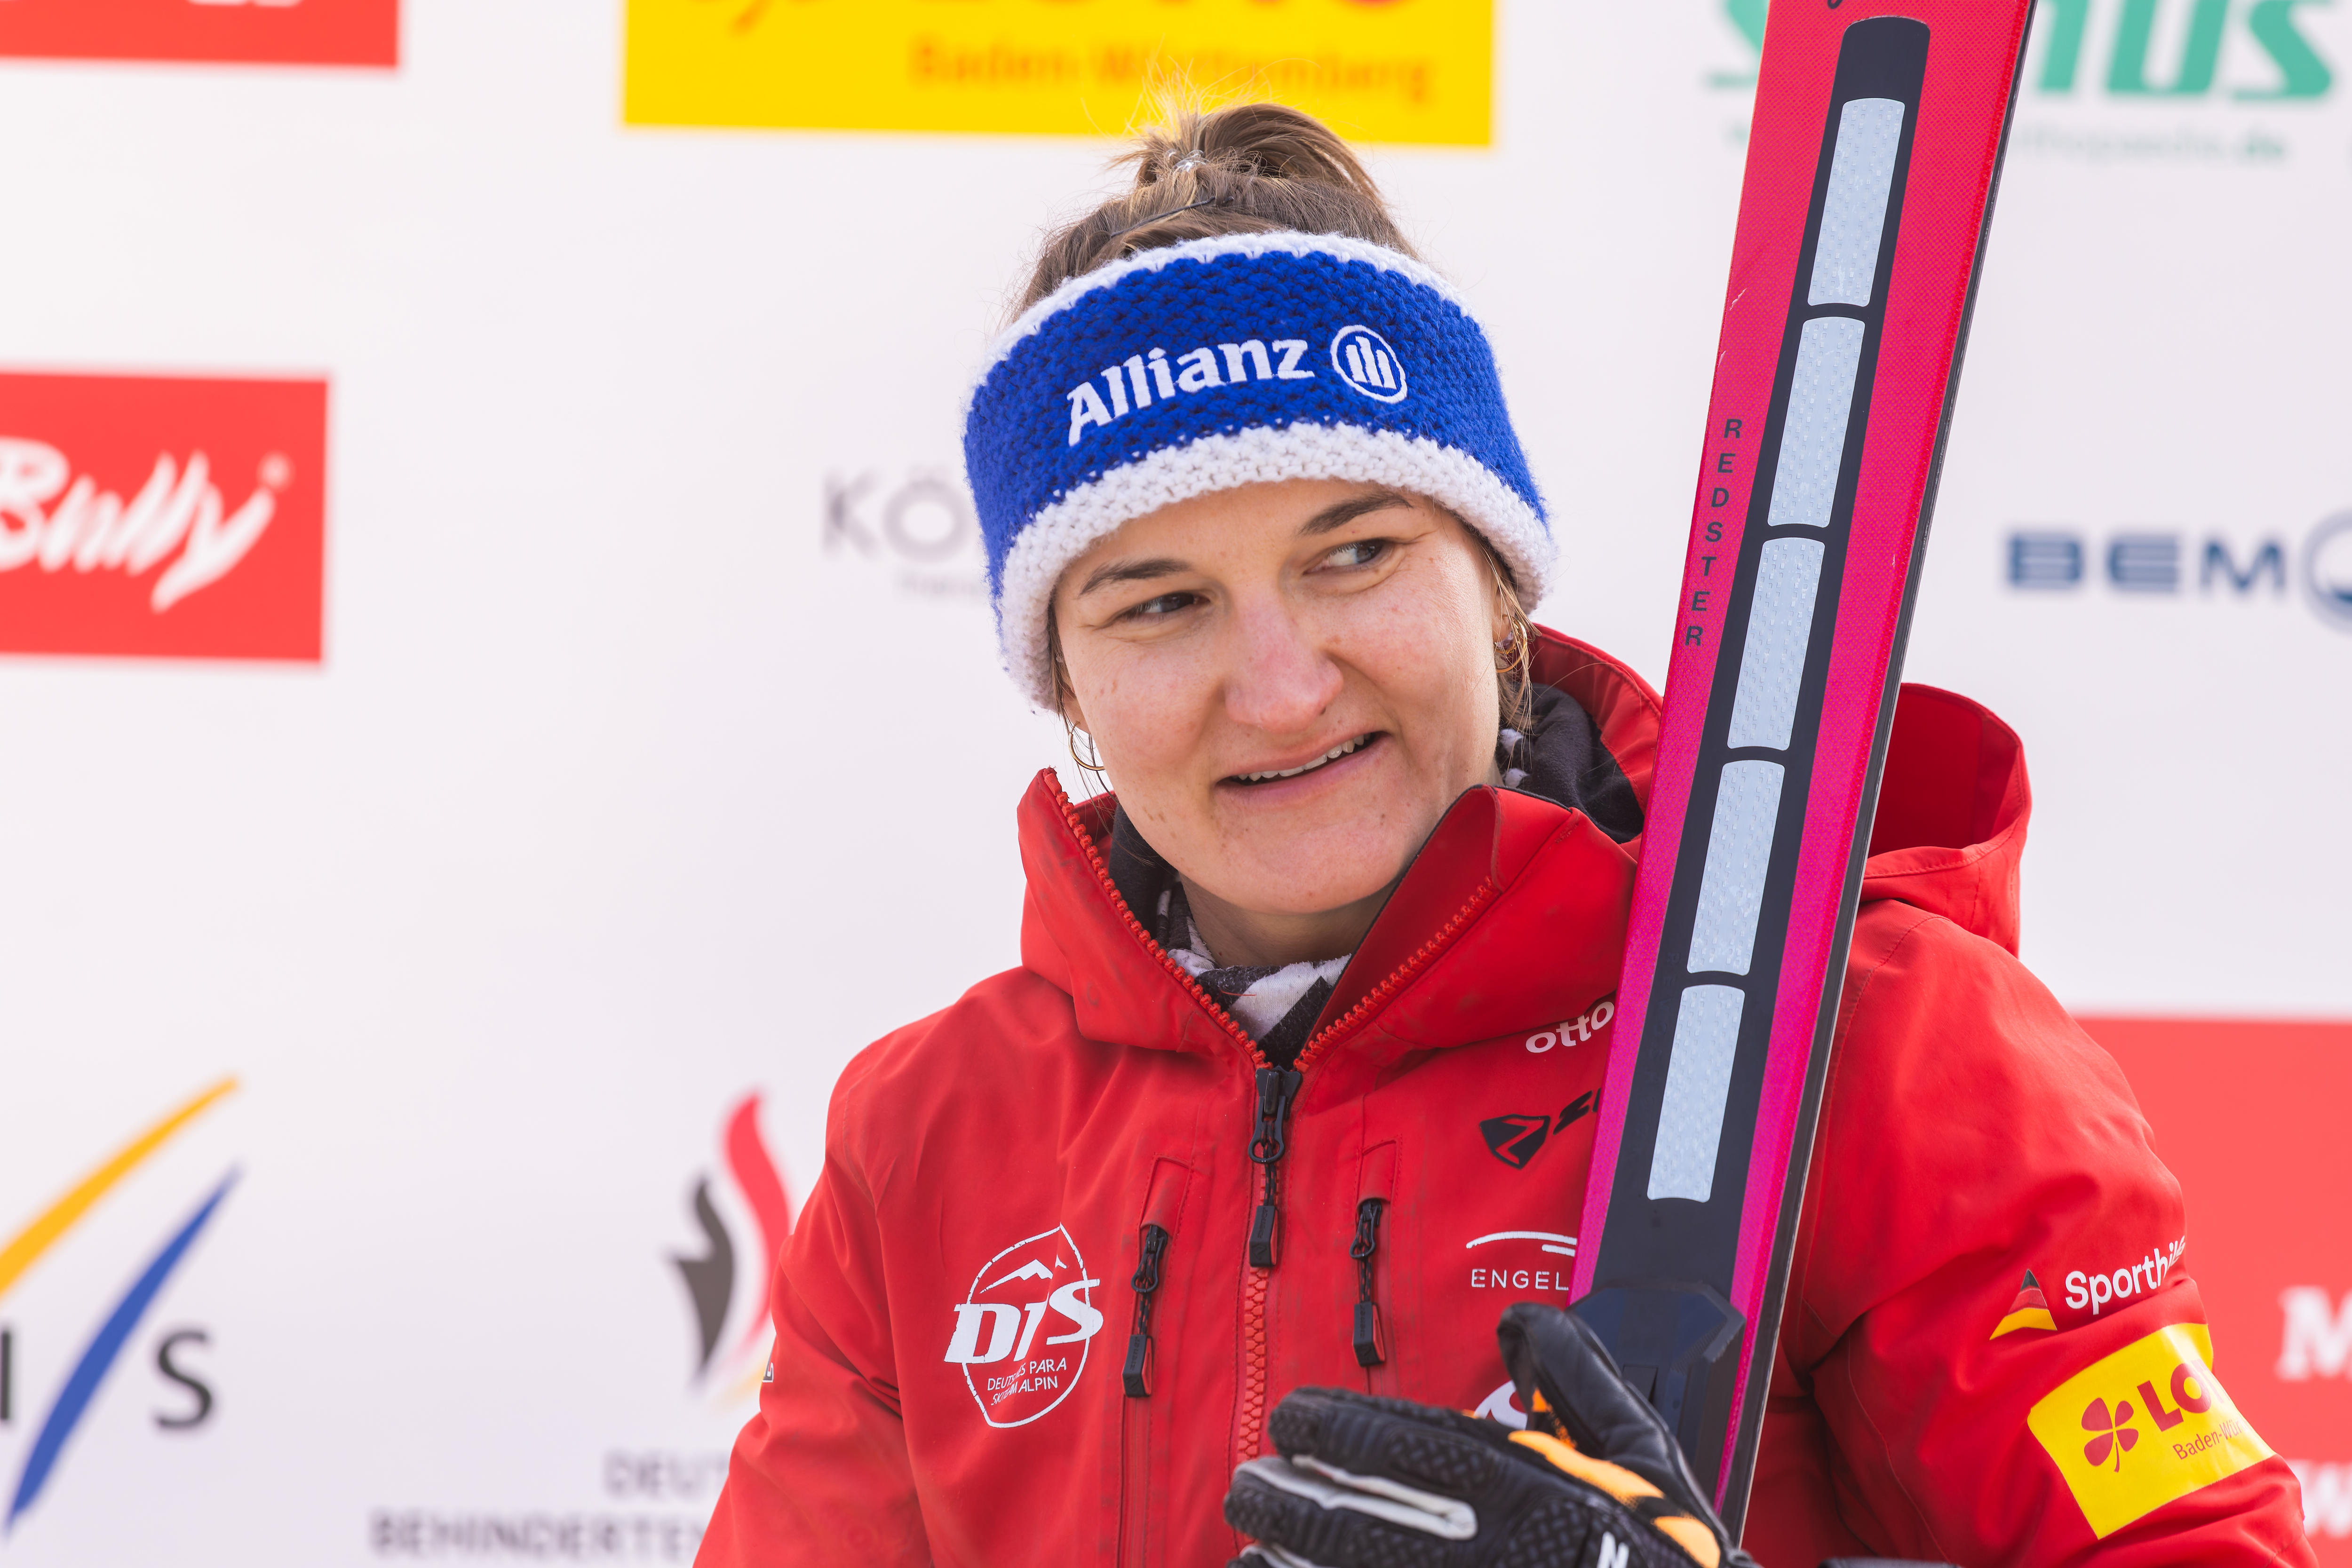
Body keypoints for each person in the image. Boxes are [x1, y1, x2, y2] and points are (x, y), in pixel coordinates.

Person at [696, 103, 2312, 1567]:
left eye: (1356, 554)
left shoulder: (1846, 1039)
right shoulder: (929, 1138)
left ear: (1497, 581)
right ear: (1067, 683)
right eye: (1163, 603)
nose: (1279, 685)